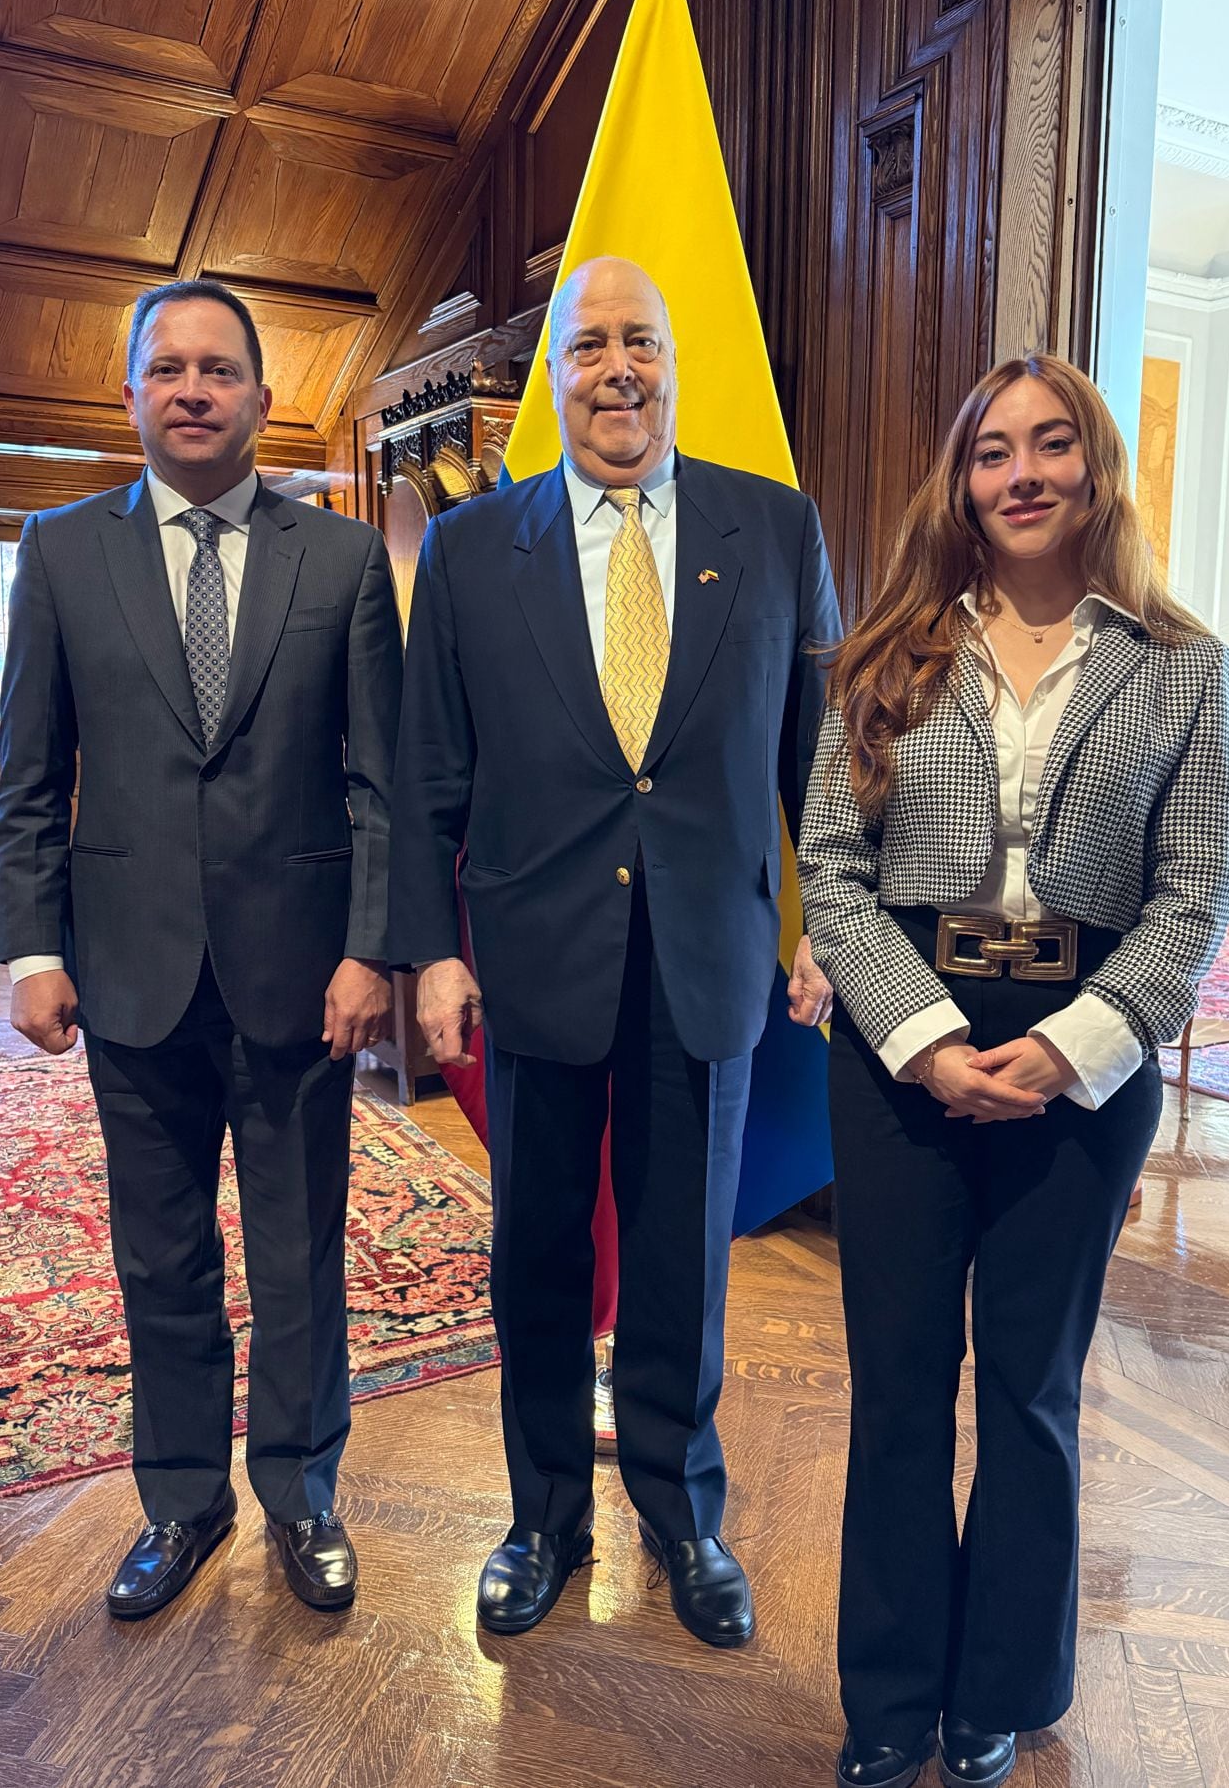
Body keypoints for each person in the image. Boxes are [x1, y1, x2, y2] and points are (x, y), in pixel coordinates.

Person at [798, 355, 1229, 1788]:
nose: (1025, 473)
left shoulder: (1183, 666)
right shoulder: (883, 656)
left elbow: (1191, 897)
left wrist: (1067, 1050)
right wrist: (928, 1045)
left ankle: (999, 1688)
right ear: (963, 480)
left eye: (1054, 446)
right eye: (995, 452)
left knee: (1034, 1392)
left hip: (1084, 1060)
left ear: (1095, 469)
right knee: (901, 1384)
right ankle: (888, 1694)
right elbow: (834, 874)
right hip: (898, 1052)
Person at [390, 255, 842, 1647]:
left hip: (708, 957)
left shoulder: (774, 529)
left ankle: (681, 1509)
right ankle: (540, 1518)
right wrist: (428, 953)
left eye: (641, 340)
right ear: (556, 377)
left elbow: (815, 764)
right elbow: (427, 776)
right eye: (589, 347)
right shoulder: (475, 550)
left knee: (684, 1261)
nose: (618, 370)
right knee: (534, 1252)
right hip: (532, 958)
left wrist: (824, 923)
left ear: (674, 362)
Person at [0, 279, 401, 1620]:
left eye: (218, 369)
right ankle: (180, 1499)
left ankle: (300, 1492)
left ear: (261, 401)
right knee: (159, 1258)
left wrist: (371, 949)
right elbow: (32, 780)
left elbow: (378, 784)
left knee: (298, 1257)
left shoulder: (337, 560)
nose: (191, 389)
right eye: (165, 368)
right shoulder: (59, 554)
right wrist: (29, 949)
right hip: (130, 972)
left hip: (301, 976)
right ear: (130, 394)